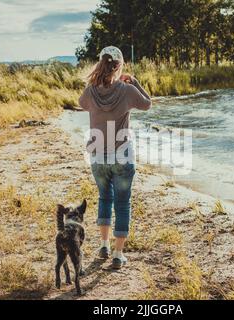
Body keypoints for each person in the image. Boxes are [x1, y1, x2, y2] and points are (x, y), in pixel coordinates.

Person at [78, 46, 152, 269]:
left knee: (104, 198)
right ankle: (118, 255)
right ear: (119, 66)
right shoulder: (127, 90)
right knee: (122, 203)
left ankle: (104, 245)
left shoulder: (90, 91)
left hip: (97, 156)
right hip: (122, 155)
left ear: (100, 63)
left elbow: (82, 104)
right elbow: (148, 104)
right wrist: (134, 82)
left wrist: (95, 84)